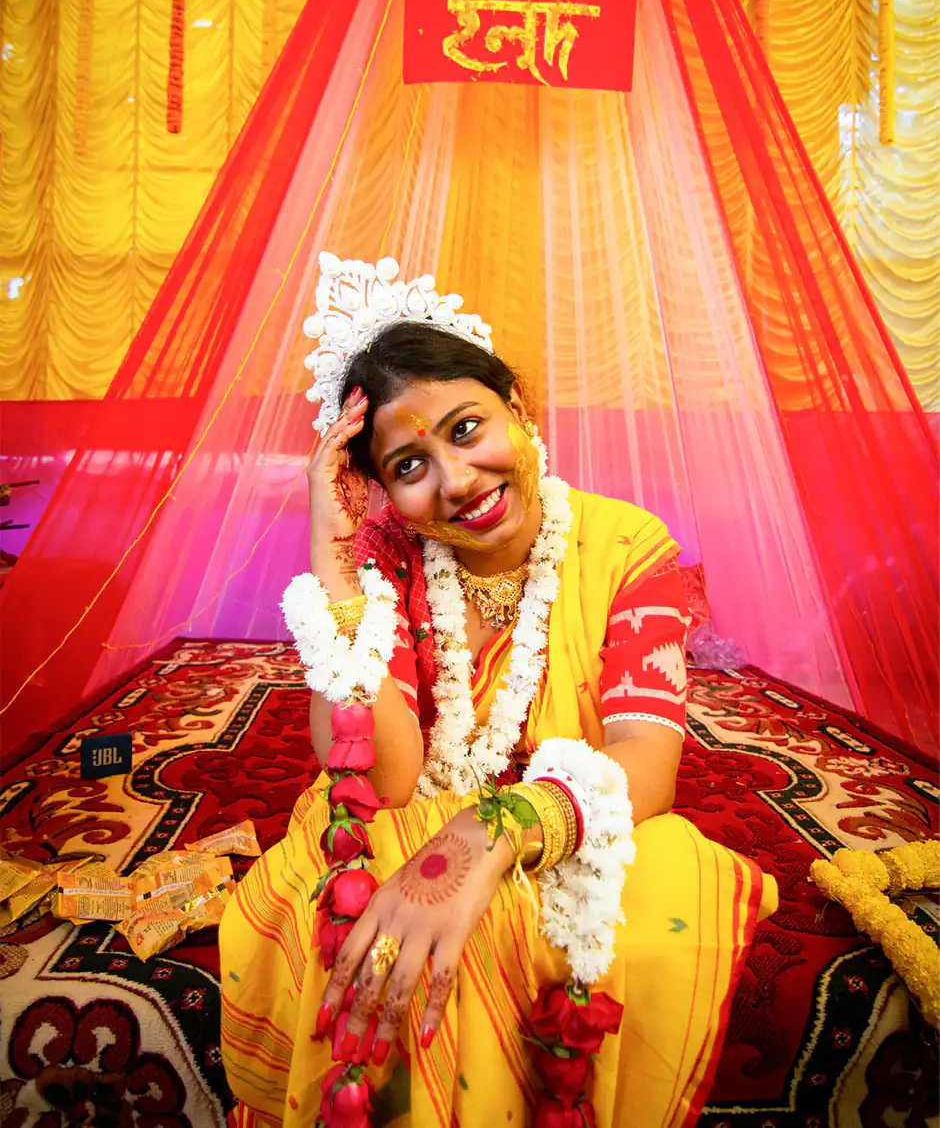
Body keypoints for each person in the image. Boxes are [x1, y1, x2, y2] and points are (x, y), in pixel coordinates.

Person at [220, 262, 777, 1128]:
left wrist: (490, 831)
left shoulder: (627, 546)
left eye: (466, 427)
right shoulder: (388, 557)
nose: (457, 480)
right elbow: (385, 777)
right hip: (422, 802)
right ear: (383, 493)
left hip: (573, 814)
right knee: (361, 894)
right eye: (410, 464)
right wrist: (335, 561)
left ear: (519, 407)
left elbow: (646, 767)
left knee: (606, 913)